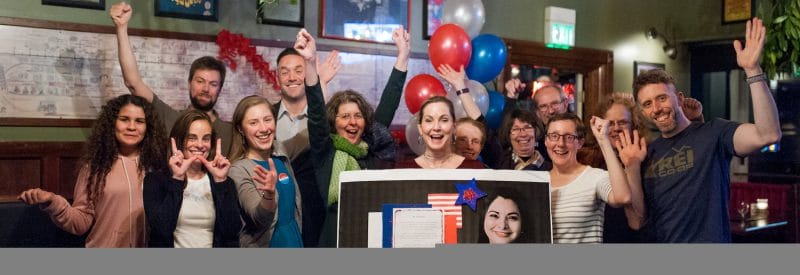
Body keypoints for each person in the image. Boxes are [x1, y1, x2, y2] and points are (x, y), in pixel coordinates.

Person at [628, 18, 781, 243]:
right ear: (642, 111)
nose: (656, 108)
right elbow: (638, 219)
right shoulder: (645, 153)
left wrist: (752, 70)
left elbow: (768, 134)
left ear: (679, 99)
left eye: (662, 98)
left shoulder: (714, 133)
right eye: (647, 104)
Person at [296, 27, 409, 247]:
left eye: (358, 116)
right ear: (334, 122)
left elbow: (388, 103)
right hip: (333, 243)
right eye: (345, 116)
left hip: (372, 240)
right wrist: (309, 63)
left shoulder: (371, 148)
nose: (352, 122)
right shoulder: (324, 151)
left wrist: (403, 56)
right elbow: (317, 111)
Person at [17, 95, 168, 247]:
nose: (131, 127)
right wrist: (53, 201)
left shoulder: (158, 166)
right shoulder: (95, 166)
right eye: (124, 119)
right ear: (112, 123)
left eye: (139, 121)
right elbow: (80, 222)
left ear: (148, 127)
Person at [110, 2, 233, 156]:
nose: (205, 88)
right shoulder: (171, 118)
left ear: (220, 89)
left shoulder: (230, 132)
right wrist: (121, 28)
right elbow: (133, 83)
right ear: (189, 83)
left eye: (213, 84)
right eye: (200, 81)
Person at [143, 110, 241, 247]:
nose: (200, 145)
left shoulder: (224, 182)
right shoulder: (155, 181)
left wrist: (220, 182)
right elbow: (161, 230)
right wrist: (177, 178)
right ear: (179, 140)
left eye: (206, 138)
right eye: (192, 138)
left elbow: (232, 231)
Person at [228, 95, 303, 247]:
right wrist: (269, 196)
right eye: (253, 122)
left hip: (294, 240)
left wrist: (318, 84)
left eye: (267, 119)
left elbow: (312, 133)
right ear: (241, 129)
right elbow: (259, 219)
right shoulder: (238, 170)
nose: (263, 128)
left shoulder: (280, 152)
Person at [546, 113, 632, 243]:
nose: (560, 143)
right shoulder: (538, 182)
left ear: (580, 143)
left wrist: (603, 139)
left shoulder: (594, 177)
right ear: (546, 141)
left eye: (569, 137)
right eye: (554, 136)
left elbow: (623, 197)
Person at [395, 96, 485, 169]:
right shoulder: (403, 170)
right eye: (429, 120)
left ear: (453, 127)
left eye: (444, 120)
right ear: (420, 128)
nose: (436, 127)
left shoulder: (475, 168)